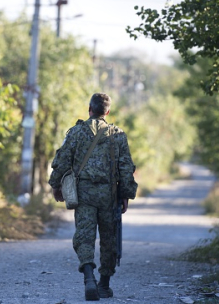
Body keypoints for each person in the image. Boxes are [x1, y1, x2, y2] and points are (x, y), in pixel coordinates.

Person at [48, 93, 137, 301]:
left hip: (84, 194)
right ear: (107, 112)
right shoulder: (118, 135)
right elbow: (126, 168)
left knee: (84, 236)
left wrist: (55, 185)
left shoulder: (76, 132)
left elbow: (61, 161)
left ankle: (89, 279)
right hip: (109, 195)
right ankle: (104, 285)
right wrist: (126, 194)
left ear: (89, 109)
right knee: (109, 238)